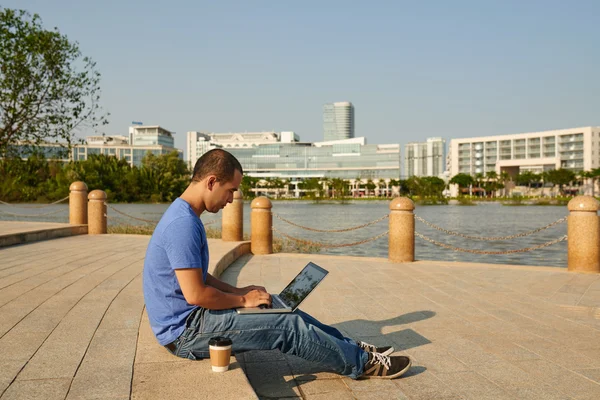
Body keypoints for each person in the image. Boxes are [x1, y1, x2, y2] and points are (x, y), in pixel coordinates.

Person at [142, 148, 411, 379]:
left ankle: (353, 348)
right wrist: (243, 301)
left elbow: (202, 277)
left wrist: (240, 292)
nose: (231, 199)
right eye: (230, 190)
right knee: (286, 326)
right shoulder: (183, 225)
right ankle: (363, 365)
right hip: (185, 334)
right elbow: (196, 294)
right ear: (211, 182)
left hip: (193, 321)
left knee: (278, 305)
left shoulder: (186, 216)